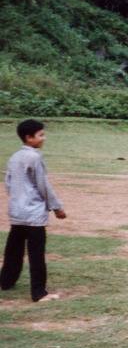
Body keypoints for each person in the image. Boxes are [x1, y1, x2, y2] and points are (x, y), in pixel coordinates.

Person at [1, 119, 66, 302]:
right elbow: (43, 185)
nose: (43, 138)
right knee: (36, 254)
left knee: (13, 250)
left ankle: (6, 282)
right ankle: (39, 293)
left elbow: (8, 184)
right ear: (29, 138)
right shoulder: (35, 157)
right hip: (33, 214)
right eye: (41, 135)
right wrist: (57, 207)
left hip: (17, 212)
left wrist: (18, 200)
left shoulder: (14, 157)